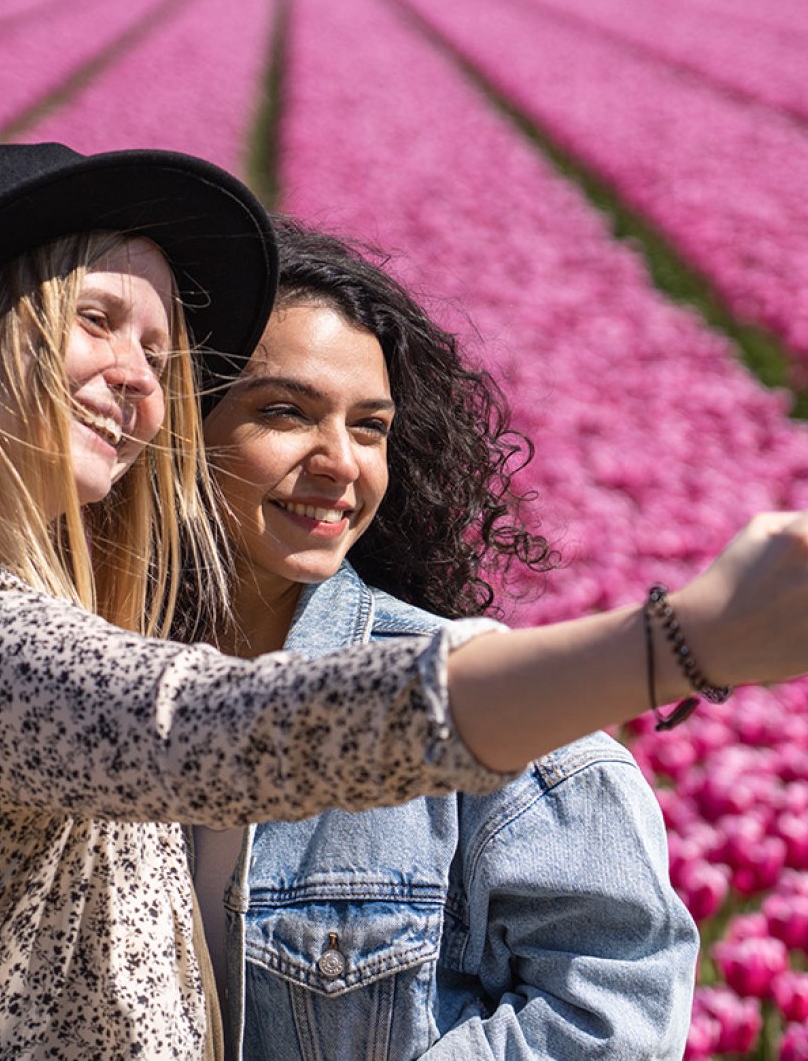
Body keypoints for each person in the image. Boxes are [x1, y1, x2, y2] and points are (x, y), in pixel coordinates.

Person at [0, 141, 808, 1060]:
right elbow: (232, 730)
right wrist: (674, 642)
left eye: (160, 350)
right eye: (96, 321)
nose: (140, 380)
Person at [191, 217, 696, 1058]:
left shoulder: (487, 715)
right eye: (286, 412)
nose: (340, 462)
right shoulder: (80, 688)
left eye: (370, 426)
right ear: (178, 428)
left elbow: (616, 1012)